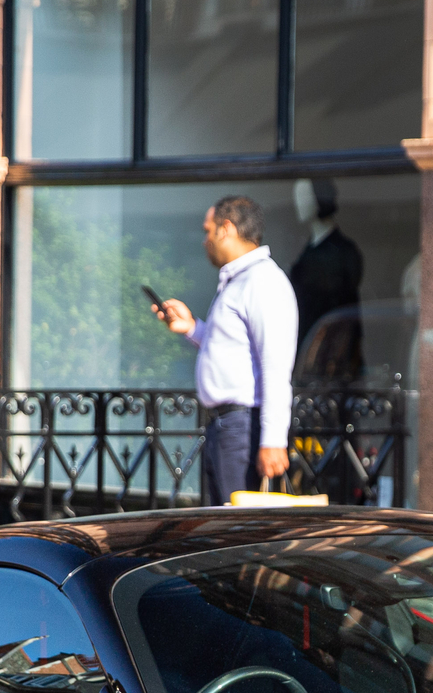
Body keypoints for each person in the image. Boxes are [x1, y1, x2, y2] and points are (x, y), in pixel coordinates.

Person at [154, 196, 297, 505]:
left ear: (227, 228)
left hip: (242, 427)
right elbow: (235, 351)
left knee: (238, 536)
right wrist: (192, 327)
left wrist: (273, 440)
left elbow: (275, 364)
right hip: (227, 426)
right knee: (224, 531)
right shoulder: (240, 280)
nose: (205, 240)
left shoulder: (262, 281)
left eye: (208, 230)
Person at [286, 177, 363, 371]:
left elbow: (343, 312)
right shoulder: (306, 248)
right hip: (306, 347)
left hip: (329, 357)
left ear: (318, 199)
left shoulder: (343, 251)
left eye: (304, 196)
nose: (298, 203)